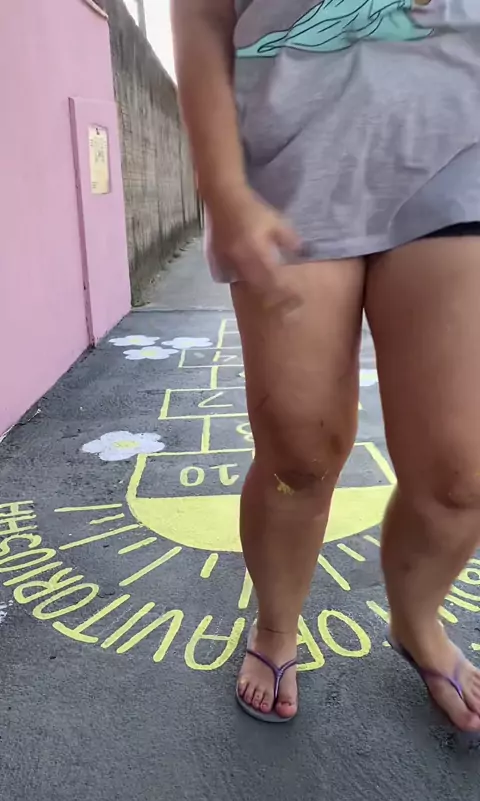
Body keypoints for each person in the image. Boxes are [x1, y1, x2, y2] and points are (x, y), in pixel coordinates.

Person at [172, 0, 480, 730]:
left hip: (457, 150)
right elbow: (200, 16)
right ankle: (276, 624)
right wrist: (221, 185)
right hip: (291, 165)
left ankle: (417, 619)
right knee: (298, 452)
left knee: (462, 473)